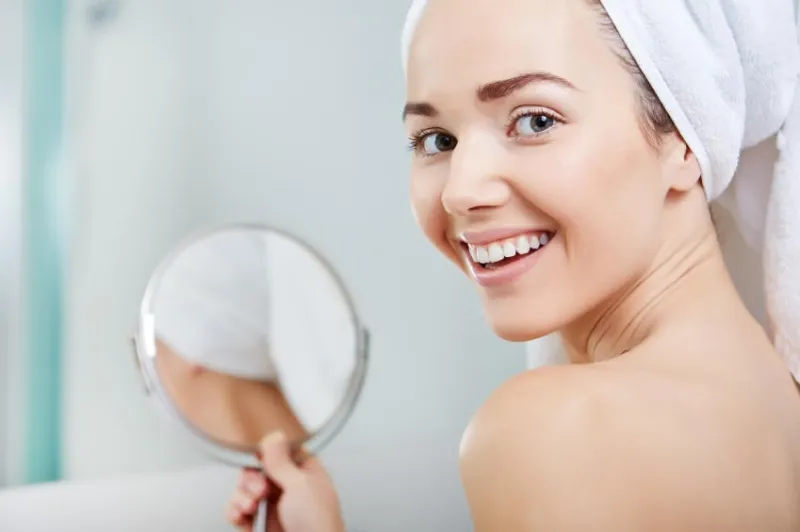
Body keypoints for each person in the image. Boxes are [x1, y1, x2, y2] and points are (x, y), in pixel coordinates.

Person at [227, 0, 800, 530]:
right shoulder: (778, 401)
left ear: (681, 137)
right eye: (435, 139)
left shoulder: (556, 431)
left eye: (535, 121)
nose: (460, 190)